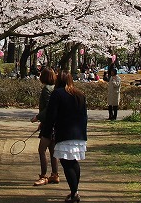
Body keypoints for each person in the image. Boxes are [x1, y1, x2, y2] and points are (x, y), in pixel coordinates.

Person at [41, 69, 88, 203]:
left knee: (67, 163)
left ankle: (74, 194)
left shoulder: (58, 94)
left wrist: (46, 132)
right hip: (78, 134)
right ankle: (75, 191)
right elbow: (84, 117)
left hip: (64, 133)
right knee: (73, 162)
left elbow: (51, 116)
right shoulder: (80, 94)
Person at [31, 67, 59, 186]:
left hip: (49, 125)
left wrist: (38, 117)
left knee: (41, 150)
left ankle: (43, 176)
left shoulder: (47, 89)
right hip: (54, 124)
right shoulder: (56, 88)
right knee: (53, 151)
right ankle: (55, 175)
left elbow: (49, 108)